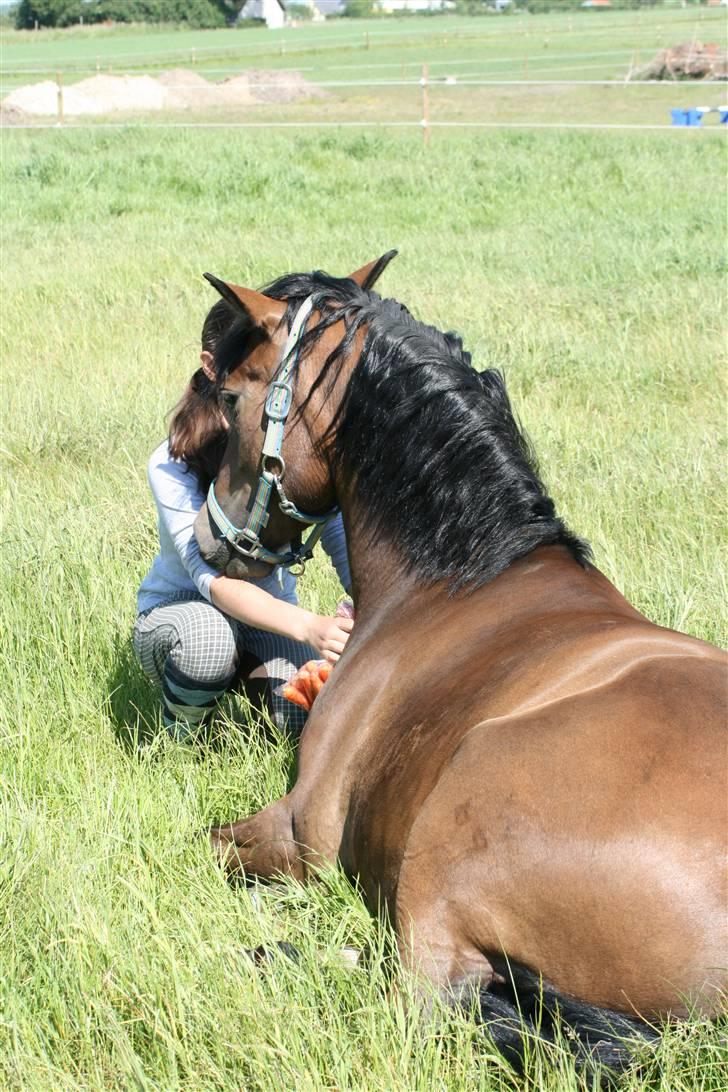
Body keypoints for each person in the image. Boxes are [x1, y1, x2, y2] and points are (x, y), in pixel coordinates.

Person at [132, 299, 353, 740]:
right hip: (181, 612)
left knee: (304, 716)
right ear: (211, 367)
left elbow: (334, 528)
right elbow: (208, 578)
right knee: (210, 642)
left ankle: (248, 716)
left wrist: (365, 605)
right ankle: (181, 745)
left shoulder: (286, 449)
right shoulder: (171, 462)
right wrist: (310, 627)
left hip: (266, 619)